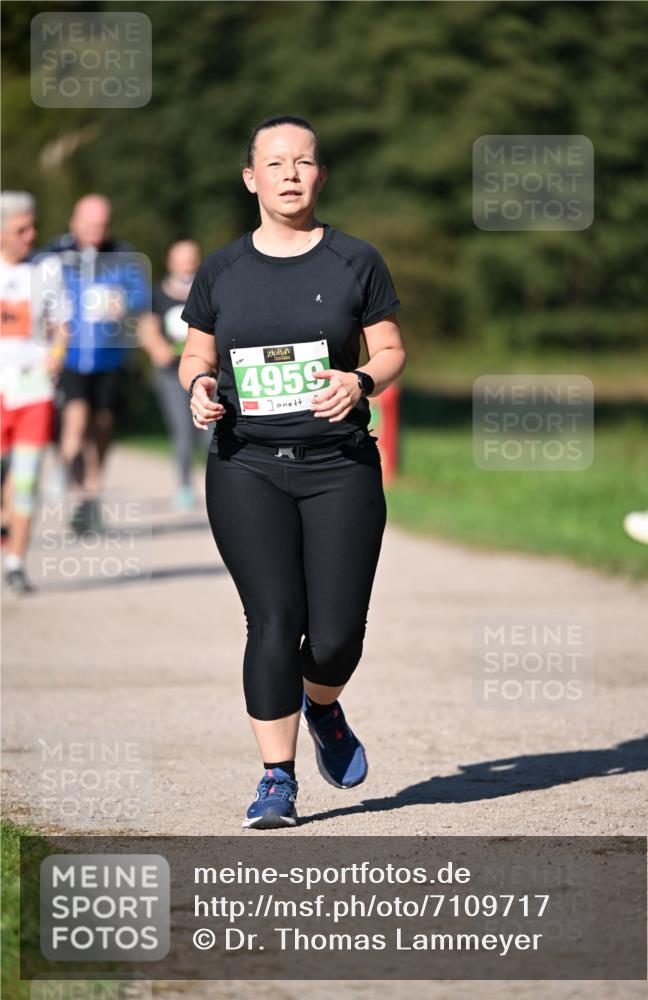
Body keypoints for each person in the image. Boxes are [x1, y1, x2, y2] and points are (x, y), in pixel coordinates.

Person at [179, 115, 406, 829]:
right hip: (244, 465)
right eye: (273, 163)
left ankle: (324, 704)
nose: (287, 173)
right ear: (250, 178)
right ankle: (275, 779)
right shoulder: (222, 269)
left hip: (338, 465)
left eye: (302, 162)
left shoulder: (355, 260)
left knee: (335, 635)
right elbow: (195, 355)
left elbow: (391, 348)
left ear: (319, 175)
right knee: (272, 620)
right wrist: (198, 388)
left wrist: (361, 382)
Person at [43, 194, 149, 533]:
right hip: (70, 357)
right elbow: (36, 294)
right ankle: (78, 498)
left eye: (102, 226)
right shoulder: (55, 254)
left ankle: (92, 488)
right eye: (90, 225)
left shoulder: (122, 254)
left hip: (110, 356)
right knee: (74, 422)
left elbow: (141, 295)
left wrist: (126, 303)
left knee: (102, 425)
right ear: (75, 222)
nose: (96, 232)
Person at [0, 191, 69, 594]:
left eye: (32, 226)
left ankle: (15, 563)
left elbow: (62, 325)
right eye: (20, 229)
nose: (32, 235)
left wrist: (56, 355)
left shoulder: (48, 271)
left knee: (26, 480)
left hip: (34, 391)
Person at [139, 239, 212, 508]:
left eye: (190, 259)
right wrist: (158, 347)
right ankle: (184, 486)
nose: (186, 265)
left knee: (210, 433)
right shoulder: (156, 294)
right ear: (170, 262)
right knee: (181, 432)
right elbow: (148, 329)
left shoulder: (207, 290)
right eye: (180, 260)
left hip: (205, 373)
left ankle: (213, 484)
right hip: (171, 374)